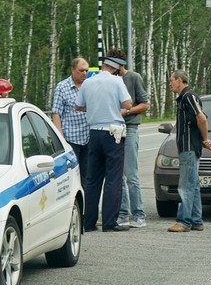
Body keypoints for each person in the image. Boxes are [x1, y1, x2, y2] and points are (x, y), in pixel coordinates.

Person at [74, 55, 133, 232]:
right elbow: (128, 104)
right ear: (115, 69)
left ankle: (88, 222)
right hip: (113, 133)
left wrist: (93, 107)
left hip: (94, 133)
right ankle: (109, 222)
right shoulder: (116, 82)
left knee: (92, 180)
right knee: (113, 179)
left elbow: (78, 106)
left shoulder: (88, 82)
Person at [105, 49, 149, 228]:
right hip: (114, 129)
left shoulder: (133, 77)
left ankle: (139, 214)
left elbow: (145, 103)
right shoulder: (110, 81)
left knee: (131, 174)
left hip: (129, 128)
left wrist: (128, 111)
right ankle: (122, 213)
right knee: (119, 175)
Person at [167, 69, 211, 232]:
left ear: (180, 80)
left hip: (189, 148)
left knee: (186, 186)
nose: (170, 83)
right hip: (188, 147)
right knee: (193, 185)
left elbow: (201, 118)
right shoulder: (183, 99)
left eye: (172, 80)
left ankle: (184, 221)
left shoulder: (188, 97)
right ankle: (196, 220)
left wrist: (205, 139)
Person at [52, 57, 91, 188]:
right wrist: (60, 138)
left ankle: (88, 206)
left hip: (88, 139)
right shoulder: (62, 87)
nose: (84, 73)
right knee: (72, 176)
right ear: (73, 70)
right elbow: (56, 113)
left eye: (87, 70)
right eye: (81, 70)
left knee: (88, 177)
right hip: (71, 140)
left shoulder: (90, 85)